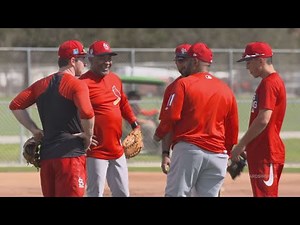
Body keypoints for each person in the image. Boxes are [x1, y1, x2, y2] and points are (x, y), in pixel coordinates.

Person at [9, 40, 95, 197]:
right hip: (71, 156)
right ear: (72, 60)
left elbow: (15, 105)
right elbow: (88, 113)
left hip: (48, 158)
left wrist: (35, 130)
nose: (85, 63)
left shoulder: (41, 84)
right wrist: (88, 136)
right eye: (82, 59)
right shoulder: (76, 84)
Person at [153, 42, 239, 197]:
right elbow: (232, 129)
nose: (184, 63)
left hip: (189, 150)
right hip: (218, 154)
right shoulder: (226, 89)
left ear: (194, 61)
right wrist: (228, 154)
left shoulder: (183, 84)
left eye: (186, 60)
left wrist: (158, 134)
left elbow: (171, 117)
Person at [79, 40, 140, 197]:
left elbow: (123, 103)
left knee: (122, 193)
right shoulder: (82, 84)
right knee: (95, 193)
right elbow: (71, 112)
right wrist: (81, 134)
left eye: (109, 58)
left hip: (117, 149)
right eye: (102, 58)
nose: (107, 62)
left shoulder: (115, 79)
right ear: (91, 59)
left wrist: (134, 124)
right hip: (96, 150)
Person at [231, 41, 287, 197]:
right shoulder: (267, 83)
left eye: (248, 62)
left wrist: (241, 145)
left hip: (266, 152)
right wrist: (249, 146)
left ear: (260, 60)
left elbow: (263, 119)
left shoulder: (270, 83)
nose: (247, 67)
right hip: (261, 151)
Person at [157, 43, 191, 174]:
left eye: (186, 60)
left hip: (211, 149)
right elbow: (168, 122)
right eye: (180, 60)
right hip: (182, 148)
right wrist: (165, 153)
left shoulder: (209, 85)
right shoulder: (172, 88)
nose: (183, 64)